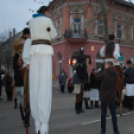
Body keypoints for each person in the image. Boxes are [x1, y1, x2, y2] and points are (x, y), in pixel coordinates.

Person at [29, 6, 57, 134]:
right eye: (49, 12)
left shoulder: (31, 21)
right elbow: (54, 34)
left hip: (34, 52)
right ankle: (44, 123)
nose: (49, 14)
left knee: (34, 84)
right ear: (45, 12)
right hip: (45, 52)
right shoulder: (47, 21)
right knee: (44, 85)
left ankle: (37, 121)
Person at [96, 62, 120, 134]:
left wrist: (101, 70)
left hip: (104, 97)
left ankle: (103, 131)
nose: (105, 66)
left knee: (103, 114)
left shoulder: (104, 73)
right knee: (113, 114)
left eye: (106, 64)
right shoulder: (116, 74)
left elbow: (96, 77)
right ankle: (115, 130)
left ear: (108, 65)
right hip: (112, 96)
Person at [13, 28, 30, 123]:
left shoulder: (30, 42)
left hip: (27, 71)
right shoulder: (19, 42)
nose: (28, 36)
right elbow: (15, 48)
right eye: (27, 35)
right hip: (19, 73)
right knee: (20, 96)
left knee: (27, 98)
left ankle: (26, 116)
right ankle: (22, 113)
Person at [72, 46, 91, 114]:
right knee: (78, 94)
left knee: (81, 94)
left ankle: (80, 108)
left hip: (83, 79)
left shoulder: (84, 65)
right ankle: (77, 108)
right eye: (81, 51)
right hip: (78, 79)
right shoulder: (78, 64)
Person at [22, 33, 32, 128]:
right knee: (28, 96)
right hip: (29, 70)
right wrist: (27, 62)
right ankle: (26, 119)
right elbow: (26, 55)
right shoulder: (29, 41)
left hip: (36, 70)